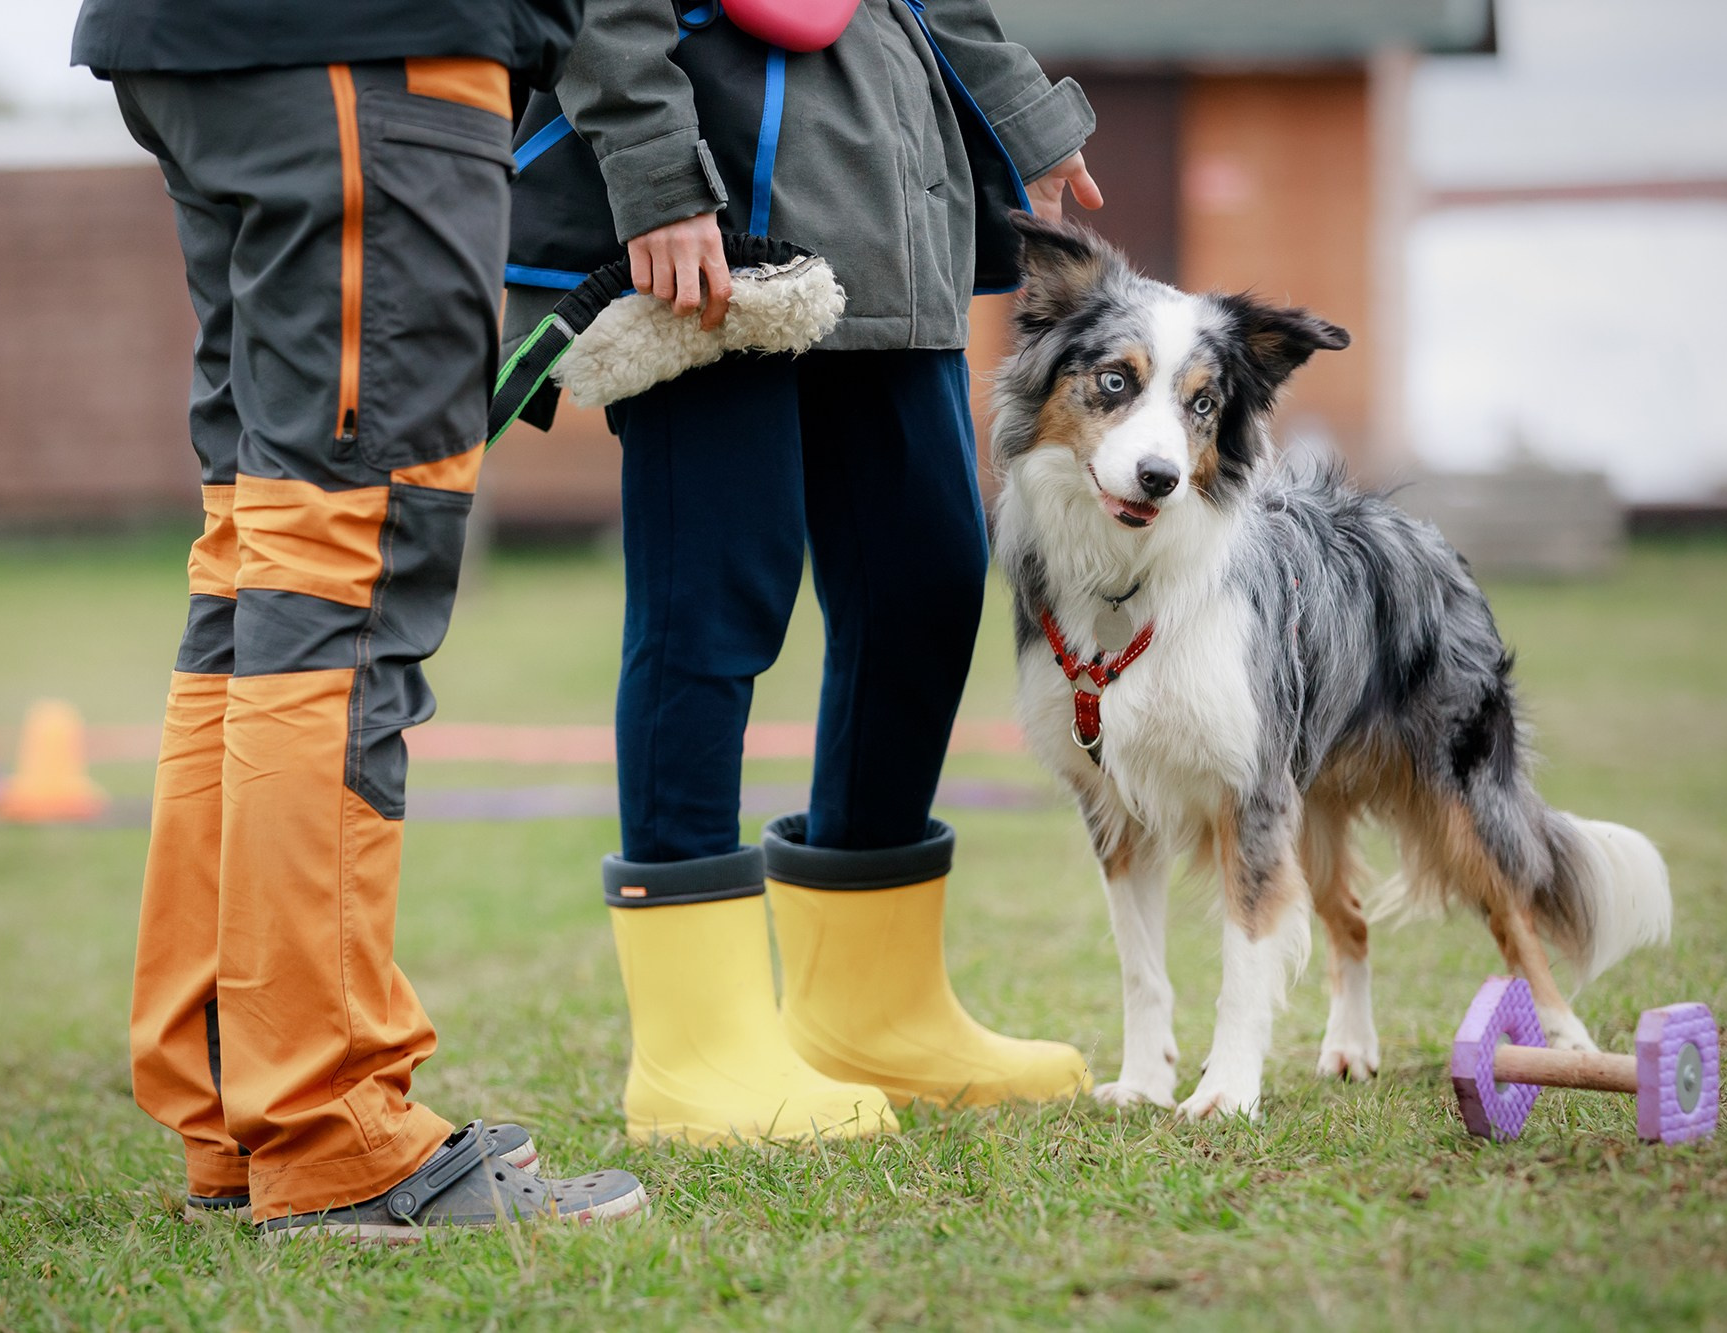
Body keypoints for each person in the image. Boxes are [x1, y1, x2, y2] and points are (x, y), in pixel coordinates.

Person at [69, 1, 649, 1240]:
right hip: (368, 47)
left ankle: (240, 1102)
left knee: (258, 563)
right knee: (344, 560)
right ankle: (329, 1128)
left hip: (217, 45)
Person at [501, 0, 1106, 1143]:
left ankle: (868, 1007)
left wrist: (1024, 112)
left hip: (891, 211)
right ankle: (693, 1049)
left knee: (926, 586)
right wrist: (655, 178)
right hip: (715, 219)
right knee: (715, 599)